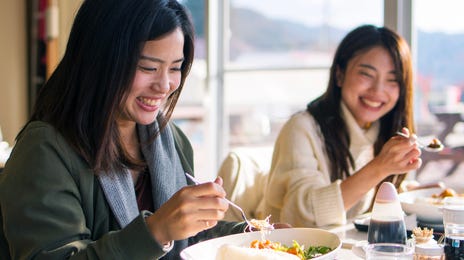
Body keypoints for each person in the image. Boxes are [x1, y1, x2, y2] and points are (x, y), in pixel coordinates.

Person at [0, 0, 248, 259]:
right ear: (101, 60)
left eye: (175, 68)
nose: (164, 85)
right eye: (148, 67)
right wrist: (155, 231)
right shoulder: (44, 151)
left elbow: (186, 238)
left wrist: (253, 236)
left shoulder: (170, 139)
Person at [262, 24, 422, 228]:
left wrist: (412, 192)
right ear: (339, 74)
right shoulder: (301, 128)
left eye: (392, 80)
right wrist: (380, 168)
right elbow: (302, 217)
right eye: (366, 74)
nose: (378, 90)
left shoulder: (380, 130)